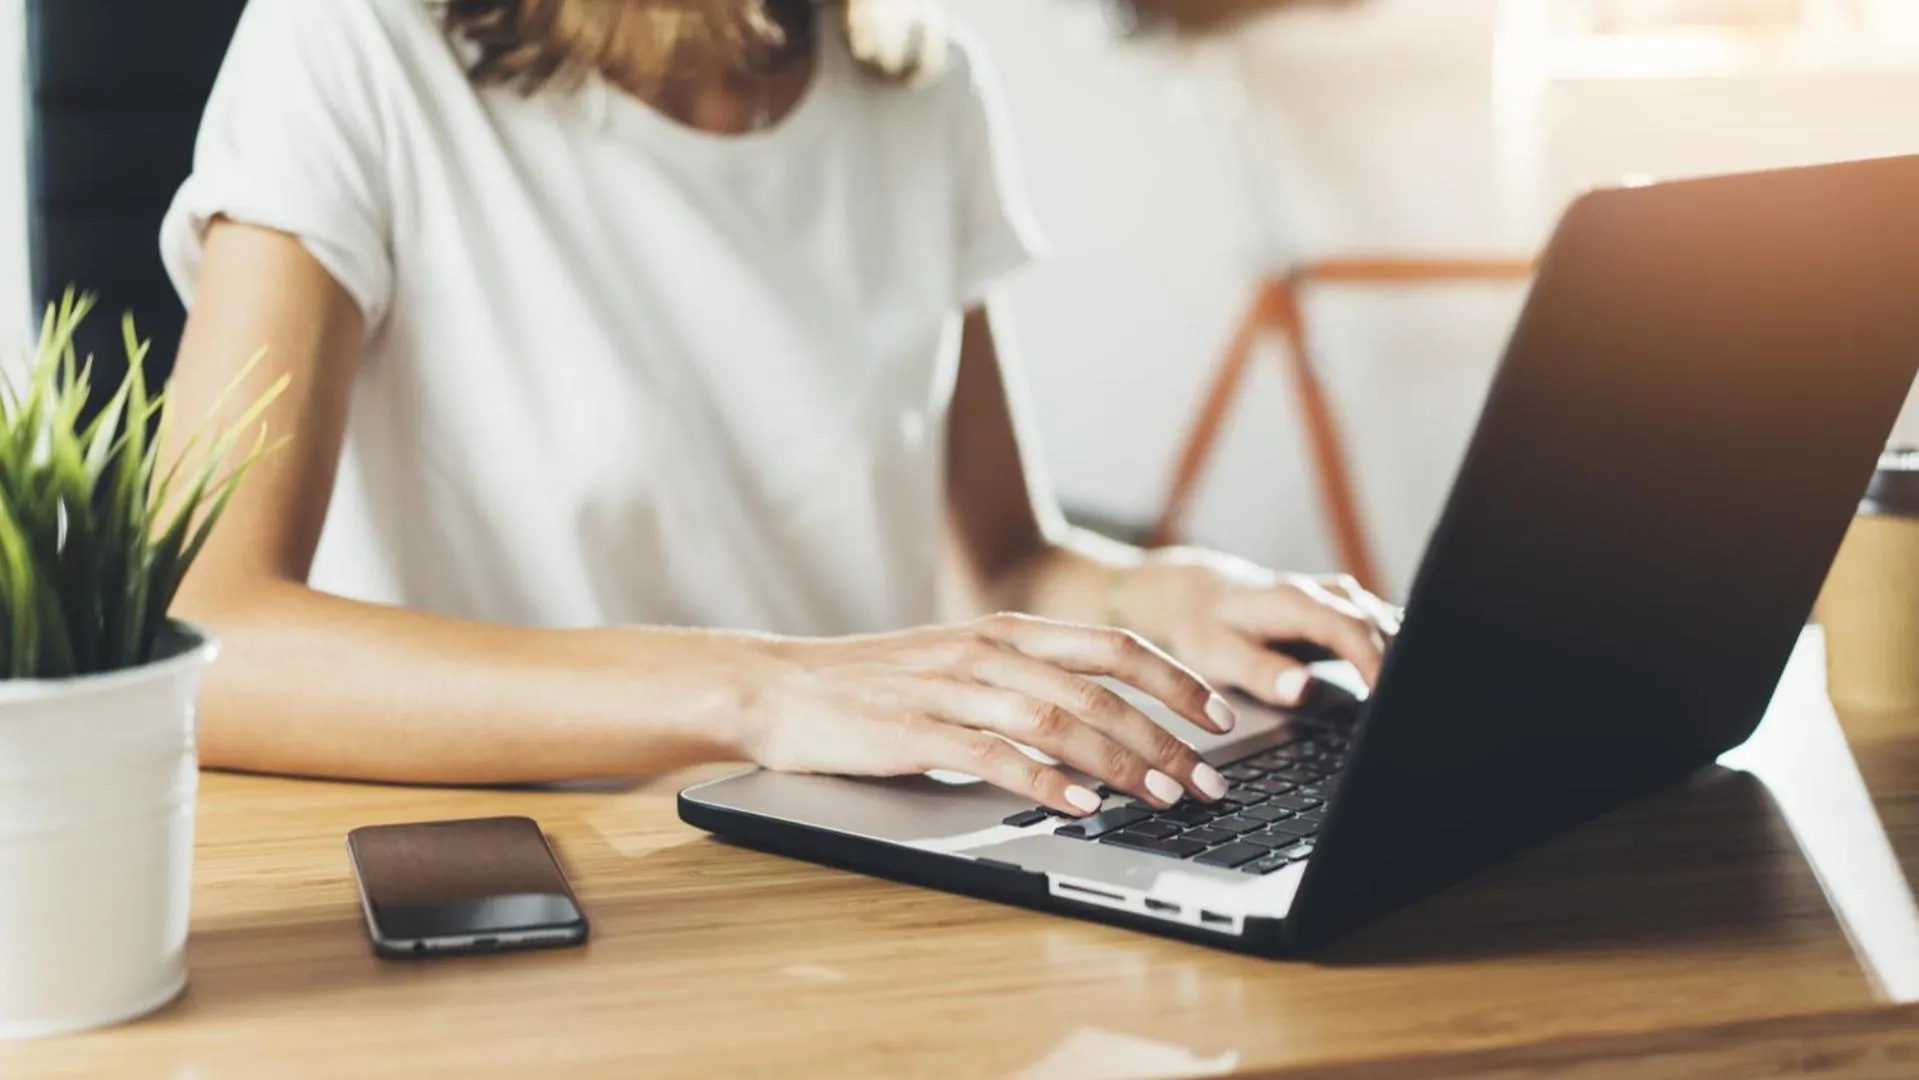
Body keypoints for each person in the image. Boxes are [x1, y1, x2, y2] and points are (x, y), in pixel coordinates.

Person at [161, 0, 1396, 819]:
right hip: (541, 877)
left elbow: (1005, 556)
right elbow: (197, 641)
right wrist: (757, 691)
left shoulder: (920, 89)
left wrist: (1169, 595)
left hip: (850, 868)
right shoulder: (350, 43)